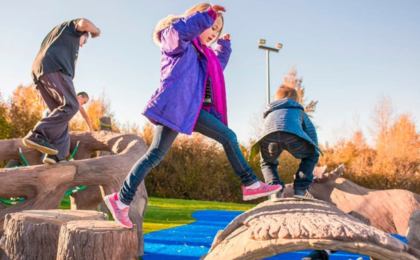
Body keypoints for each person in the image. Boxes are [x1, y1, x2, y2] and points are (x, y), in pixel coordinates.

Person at [104, 3, 282, 228]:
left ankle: (249, 184)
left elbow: (215, 67)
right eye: (211, 27)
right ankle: (121, 199)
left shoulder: (202, 55)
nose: (214, 33)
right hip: (174, 106)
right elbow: (182, 31)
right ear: (196, 20)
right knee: (155, 155)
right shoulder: (175, 40)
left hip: (192, 111)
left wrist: (224, 46)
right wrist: (206, 16)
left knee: (225, 137)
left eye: (217, 30)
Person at [22, 19, 101, 164]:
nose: (82, 45)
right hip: (55, 68)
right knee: (71, 106)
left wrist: (38, 83)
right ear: (83, 34)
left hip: (42, 71)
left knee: (61, 115)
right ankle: (38, 134)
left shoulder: (57, 37)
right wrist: (96, 31)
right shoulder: (72, 30)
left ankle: (57, 155)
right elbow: (84, 22)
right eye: (84, 41)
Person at [249, 85, 322, 201]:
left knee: (267, 163)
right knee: (312, 155)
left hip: (268, 138)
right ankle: (301, 190)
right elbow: (311, 131)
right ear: (296, 101)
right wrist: (314, 148)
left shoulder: (270, 112)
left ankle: (275, 190)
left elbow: (264, 130)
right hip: (291, 135)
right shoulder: (298, 110)